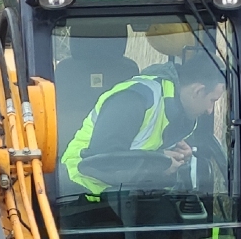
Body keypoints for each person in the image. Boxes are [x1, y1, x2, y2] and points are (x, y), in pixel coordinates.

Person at [59, 50, 228, 197]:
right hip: (81, 193)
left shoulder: (178, 112)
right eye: (212, 100)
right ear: (198, 91)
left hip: (126, 194)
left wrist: (174, 153)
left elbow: (144, 147)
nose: (210, 111)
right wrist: (159, 165)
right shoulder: (133, 100)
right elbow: (100, 165)